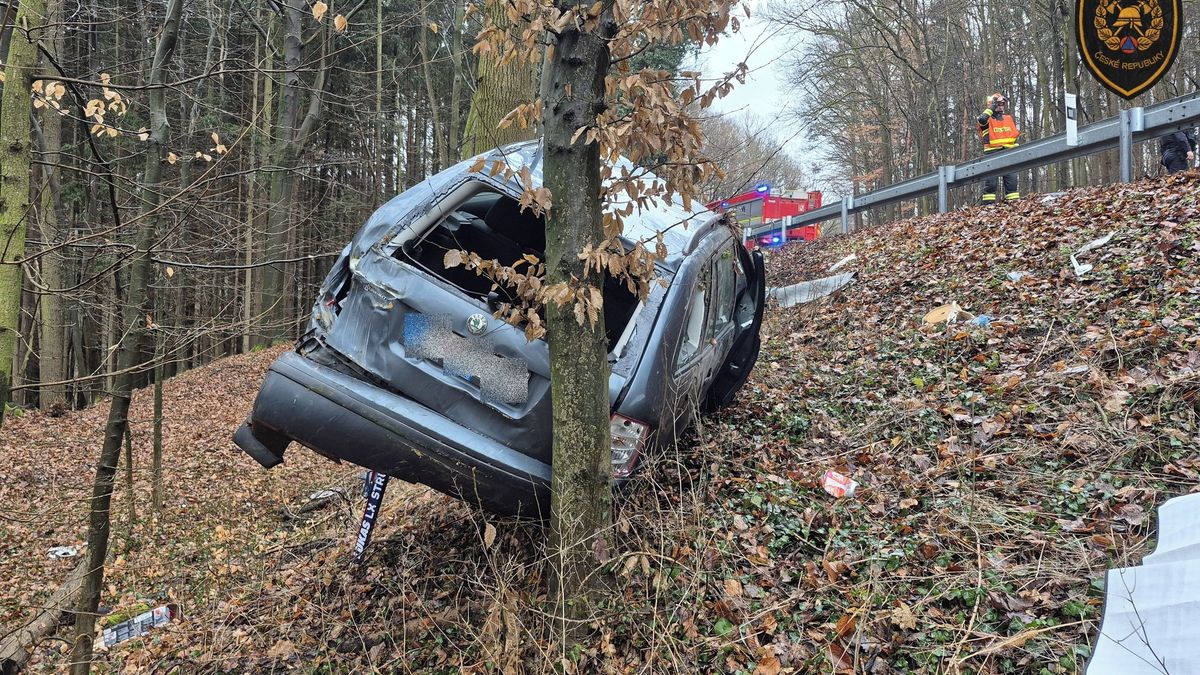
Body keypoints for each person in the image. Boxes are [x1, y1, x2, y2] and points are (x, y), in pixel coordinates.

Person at [977, 93, 1020, 203]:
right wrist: (992, 106)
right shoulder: (986, 120)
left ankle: (1013, 205)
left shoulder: (1008, 118)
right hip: (992, 154)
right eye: (998, 104)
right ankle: (988, 207)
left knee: (1012, 183)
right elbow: (982, 119)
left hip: (1008, 153)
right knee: (991, 183)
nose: (1001, 106)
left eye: (1002, 104)